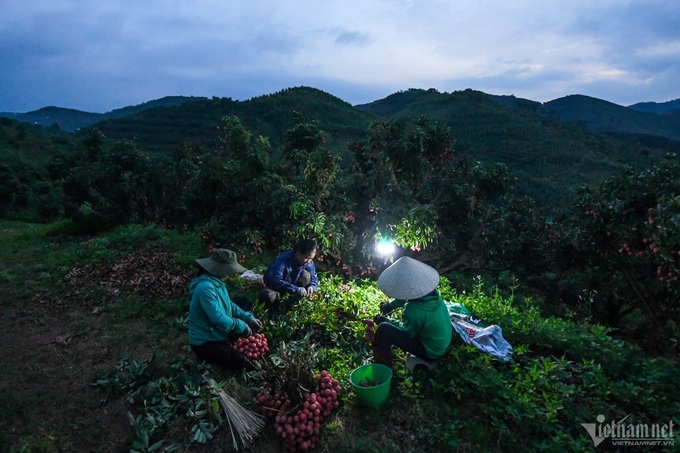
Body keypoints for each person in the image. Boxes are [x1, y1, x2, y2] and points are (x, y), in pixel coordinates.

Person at [188, 248, 263, 372]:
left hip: (218, 330)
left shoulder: (217, 282)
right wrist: (240, 325)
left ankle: (231, 335)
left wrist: (248, 318)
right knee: (244, 362)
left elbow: (230, 305)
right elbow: (217, 318)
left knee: (245, 301)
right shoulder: (205, 288)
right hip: (206, 341)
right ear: (220, 269)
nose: (230, 274)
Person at [372, 256, 452, 368]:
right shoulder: (433, 294)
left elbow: (408, 333)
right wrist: (390, 306)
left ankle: (382, 365)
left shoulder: (412, 310)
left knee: (383, 329)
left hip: (430, 352)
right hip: (441, 343)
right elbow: (408, 295)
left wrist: (386, 320)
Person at [258, 239, 319, 307]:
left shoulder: (308, 263)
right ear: (298, 253)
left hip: (293, 286)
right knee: (267, 295)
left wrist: (312, 286)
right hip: (276, 288)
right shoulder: (283, 260)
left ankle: (296, 301)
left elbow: (314, 276)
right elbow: (276, 281)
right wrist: (296, 289)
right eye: (306, 258)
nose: (308, 261)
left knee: (307, 276)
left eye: (311, 259)